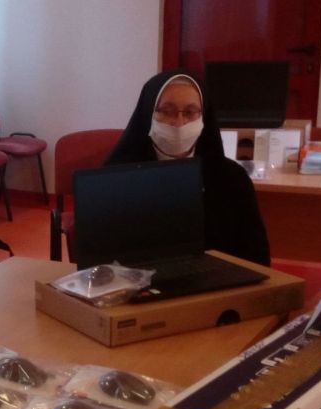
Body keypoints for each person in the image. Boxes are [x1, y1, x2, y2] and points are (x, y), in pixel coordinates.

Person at [105, 70, 271, 266]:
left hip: (216, 281)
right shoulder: (115, 177)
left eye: (191, 112)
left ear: (204, 117)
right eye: (167, 111)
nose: (179, 123)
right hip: (136, 280)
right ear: (148, 113)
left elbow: (256, 257)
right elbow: (100, 256)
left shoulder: (232, 177)